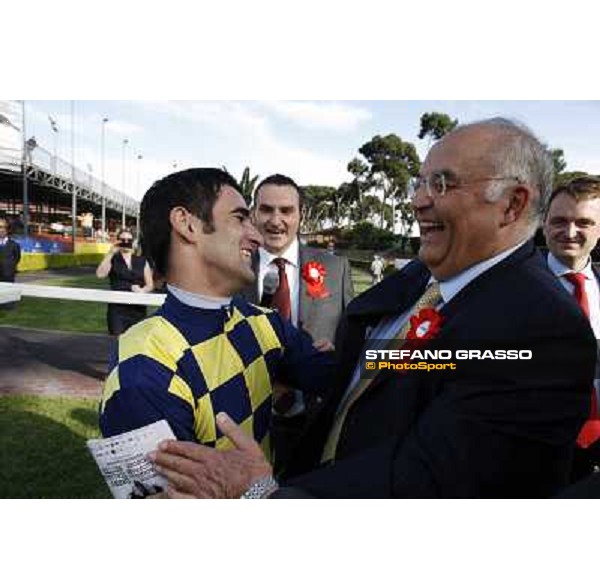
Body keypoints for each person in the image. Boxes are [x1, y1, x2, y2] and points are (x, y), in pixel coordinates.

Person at [150, 118, 597, 499]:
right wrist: (323, 364)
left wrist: (265, 493)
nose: (418, 200)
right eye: (418, 182)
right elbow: (386, 367)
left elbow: (424, 480)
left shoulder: (543, 330)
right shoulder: (425, 275)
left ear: (512, 204)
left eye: (440, 183)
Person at [99, 168, 334, 461]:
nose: (256, 236)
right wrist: (265, 490)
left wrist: (408, 354)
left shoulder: (265, 323)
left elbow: (350, 371)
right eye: (239, 218)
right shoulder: (139, 373)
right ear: (187, 225)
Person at [239, 173, 353, 466]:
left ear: (301, 215)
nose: (275, 220)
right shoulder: (232, 266)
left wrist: (338, 352)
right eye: (266, 209)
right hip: (243, 418)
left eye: (286, 211)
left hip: (315, 419)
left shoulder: (336, 268)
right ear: (253, 213)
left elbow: (352, 336)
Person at [543, 176, 600, 481]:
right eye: (560, 221)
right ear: (544, 224)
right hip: (529, 448)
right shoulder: (508, 286)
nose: (570, 232)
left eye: (584, 222)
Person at [96, 228, 153, 335]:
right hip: (117, 309)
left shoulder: (142, 261)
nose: (126, 242)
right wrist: (110, 253)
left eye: (129, 240)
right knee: (117, 343)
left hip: (138, 308)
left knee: (136, 342)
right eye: (123, 239)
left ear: (133, 242)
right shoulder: (113, 259)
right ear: (118, 241)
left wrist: (142, 290)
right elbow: (100, 274)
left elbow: (150, 285)